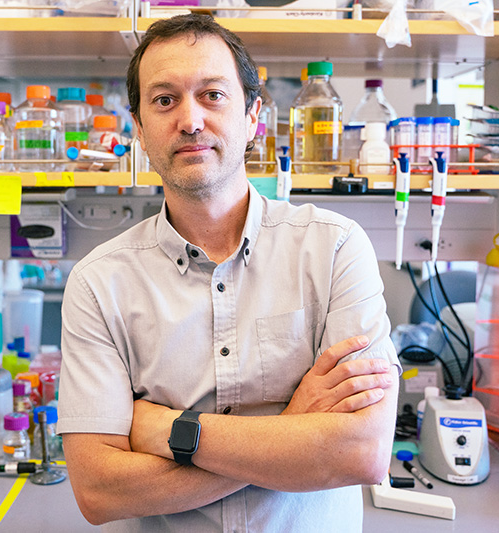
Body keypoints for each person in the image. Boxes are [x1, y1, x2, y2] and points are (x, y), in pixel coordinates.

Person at [58, 13, 400, 532]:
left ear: (253, 116)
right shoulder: (98, 284)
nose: (190, 120)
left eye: (213, 95)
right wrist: (291, 432)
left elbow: (360, 453)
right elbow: (100, 492)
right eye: (164, 100)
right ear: (140, 129)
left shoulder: (335, 249)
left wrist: (168, 431)